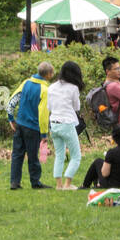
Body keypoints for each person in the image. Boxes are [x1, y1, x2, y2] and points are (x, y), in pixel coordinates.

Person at [8, 62, 53, 190]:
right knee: (33, 156)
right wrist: (44, 133)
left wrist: (11, 118)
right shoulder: (45, 90)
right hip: (32, 127)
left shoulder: (26, 82)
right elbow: (43, 114)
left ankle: (14, 182)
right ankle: (35, 182)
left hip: (20, 123)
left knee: (17, 154)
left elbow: (13, 100)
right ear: (49, 75)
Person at [46, 60, 84, 190]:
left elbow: (49, 107)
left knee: (59, 155)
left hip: (53, 124)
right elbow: (76, 107)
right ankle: (68, 184)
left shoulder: (51, 87)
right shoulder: (73, 88)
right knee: (76, 156)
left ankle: (59, 185)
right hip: (67, 124)